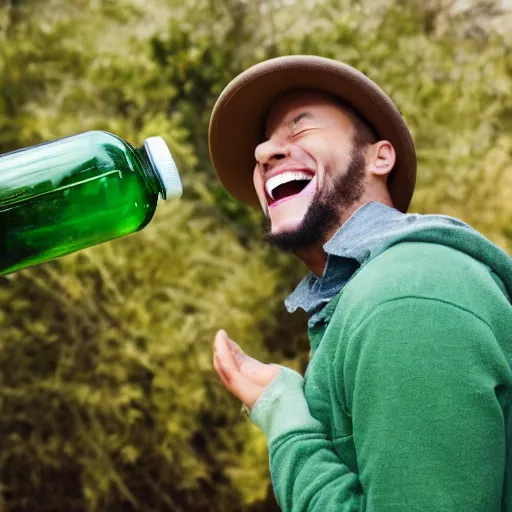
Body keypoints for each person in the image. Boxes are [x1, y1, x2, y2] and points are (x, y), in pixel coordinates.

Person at [208, 55, 512, 512]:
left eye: (300, 128)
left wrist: (287, 421)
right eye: (263, 145)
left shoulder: (406, 295)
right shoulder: (376, 294)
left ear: (380, 157)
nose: (263, 153)